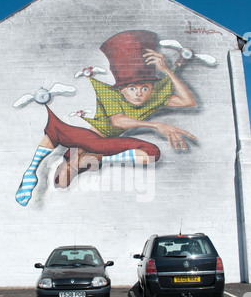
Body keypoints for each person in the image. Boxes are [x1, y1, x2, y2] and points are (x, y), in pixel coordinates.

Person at [15, 30, 197, 206]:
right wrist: (156, 125)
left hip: (104, 144)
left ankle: (91, 159)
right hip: (84, 135)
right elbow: (118, 121)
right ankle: (32, 170)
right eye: (132, 89)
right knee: (55, 128)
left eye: (145, 88)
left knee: (151, 154)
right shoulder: (110, 94)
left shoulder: (155, 98)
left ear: (151, 87)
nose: (139, 94)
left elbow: (188, 101)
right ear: (121, 88)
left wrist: (167, 70)